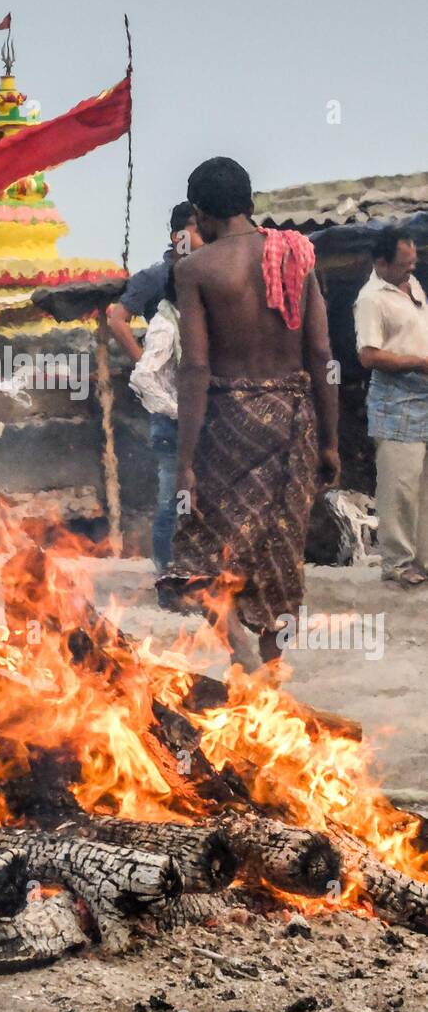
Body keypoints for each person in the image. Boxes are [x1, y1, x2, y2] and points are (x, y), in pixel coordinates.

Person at [159, 156, 341, 670]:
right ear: (250, 202)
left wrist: (186, 462)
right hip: (292, 420)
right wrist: (328, 439)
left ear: (200, 212)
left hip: (227, 422)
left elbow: (194, 368)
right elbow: (322, 356)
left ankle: (240, 650)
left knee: (199, 549)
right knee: (281, 553)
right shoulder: (295, 256)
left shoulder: (194, 269)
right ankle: (269, 675)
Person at [108, 202, 203, 570]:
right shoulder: (157, 277)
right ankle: (167, 573)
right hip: (171, 407)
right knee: (172, 496)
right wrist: (148, 365)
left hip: (197, 407)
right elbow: (117, 320)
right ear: (177, 235)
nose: (201, 237)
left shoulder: (207, 272)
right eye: (195, 229)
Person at [354, 225, 428, 588]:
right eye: (404, 264)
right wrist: (419, 363)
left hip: (424, 398)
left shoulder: (412, 287)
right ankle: (398, 563)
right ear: (381, 263)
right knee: (399, 487)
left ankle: (423, 560)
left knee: (423, 487)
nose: (411, 270)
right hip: (395, 401)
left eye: (413, 263)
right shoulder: (371, 298)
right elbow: (368, 356)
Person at [127, 270, 183, 570]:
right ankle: (165, 572)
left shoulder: (188, 319)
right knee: (170, 504)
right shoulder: (165, 325)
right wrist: (175, 409)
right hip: (172, 425)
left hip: (193, 424)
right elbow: (142, 377)